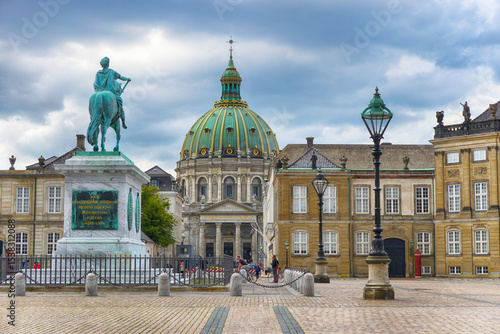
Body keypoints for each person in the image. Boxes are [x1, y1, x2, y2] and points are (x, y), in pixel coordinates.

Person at [93, 57, 131, 129]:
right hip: (110, 92)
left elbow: (95, 83)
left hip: (98, 91)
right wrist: (127, 79)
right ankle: (123, 121)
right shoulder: (111, 71)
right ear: (108, 64)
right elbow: (120, 77)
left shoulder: (98, 73)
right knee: (119, 102)